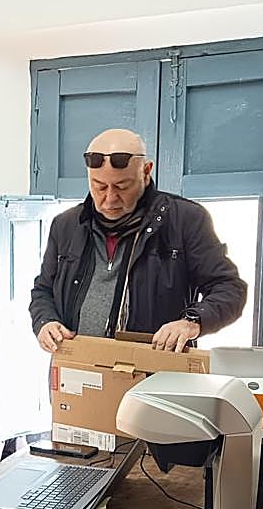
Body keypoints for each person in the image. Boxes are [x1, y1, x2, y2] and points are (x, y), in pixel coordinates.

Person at [30, 128, 246, 354]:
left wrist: (192, 322)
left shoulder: (185, 219)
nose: (110, 199)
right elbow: (43, 290)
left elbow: (230, 289)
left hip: (155, 369)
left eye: (122, 186)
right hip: (75, 366)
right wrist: (45, 321)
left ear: (146, 172)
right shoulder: (66, 225)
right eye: (99, 186)